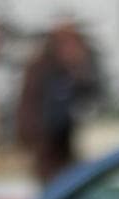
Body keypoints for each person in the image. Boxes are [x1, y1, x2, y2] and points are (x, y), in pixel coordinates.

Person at [14, 21, 100, 188]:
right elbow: (33, 110)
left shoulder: (69, 71)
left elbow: (89, 93)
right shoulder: (42, 70)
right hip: (46, 144)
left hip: (62, 143)